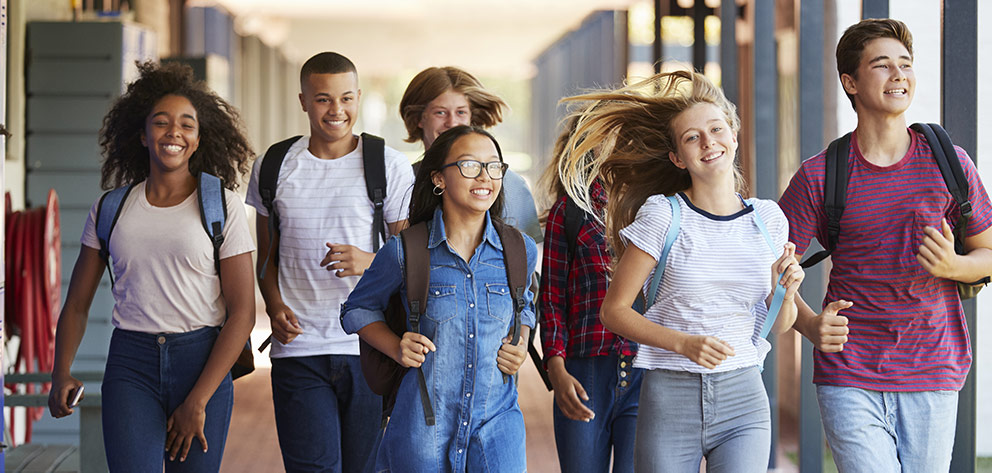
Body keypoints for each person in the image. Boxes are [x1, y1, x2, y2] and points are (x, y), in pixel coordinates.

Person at [557, 70, 804, 472]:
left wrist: (786, 292)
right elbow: (614, 311)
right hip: (670, 396)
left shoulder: (768, 219)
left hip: (744, 396)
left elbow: (779, 324)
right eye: (692, 137)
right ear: (677, 157)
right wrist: (683, 344)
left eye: (716, 129)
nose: (708, 142)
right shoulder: (663, 214)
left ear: (734, 136)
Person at [778, 19, 992, 472]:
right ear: (850, 81)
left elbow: (988, 252)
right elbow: (770, 270)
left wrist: (955, 266)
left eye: (906, 64)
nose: (899, 74)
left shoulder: (950, 164)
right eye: (882, 65)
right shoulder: (820, 175)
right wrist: (811, 324)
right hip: (849, 372)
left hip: (932, 369)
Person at [47, 61, 256, 472]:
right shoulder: (111, 208)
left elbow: (243, 313)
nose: (173, 132)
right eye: (161, 123)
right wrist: (61, 372)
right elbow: (76, 304)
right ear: (142, 135)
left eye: (186, 125)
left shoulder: (221, 207)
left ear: (197, 139)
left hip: (203, 362)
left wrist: (198, 401)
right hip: (131, 364)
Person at [245, 52, 415, 472]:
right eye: (323, 99)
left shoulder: (388, 166)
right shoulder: (273, 165)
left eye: (345, 98)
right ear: (303, 100)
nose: (336, 111)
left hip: (370, 346)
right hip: (298, 348)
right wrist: (273, 303)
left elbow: (413, 262)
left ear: (358, 97)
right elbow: (266, 257)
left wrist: (370, 261)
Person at [340, 125, 538, 472]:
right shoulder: (406, 251)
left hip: (497, 423)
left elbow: (525, 306)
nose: (485, 177)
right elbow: (356, 308)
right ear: (439, 178)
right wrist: (395, 345)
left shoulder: (520, 250)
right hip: (423, 427)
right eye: (469, 165)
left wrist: (520, 343)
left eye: (494, 166)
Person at [536, 117, 641, 473]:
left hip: (646, 370)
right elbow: (551, 300)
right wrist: (556, 368)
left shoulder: (657, 207)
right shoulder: (568, 213)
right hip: (584, 372)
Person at [399, 66, 542, 242]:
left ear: (471, 118)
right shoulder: (399, 181)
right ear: (419, 118)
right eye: (440, 112)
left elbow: (525, 259)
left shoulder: (511, 186)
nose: (452, 123)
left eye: (461, 112)